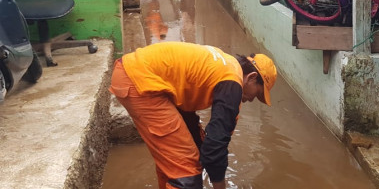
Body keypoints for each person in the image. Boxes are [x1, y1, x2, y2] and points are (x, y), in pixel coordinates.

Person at [109, 41, 277, 189]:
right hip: (141, 82)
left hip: (140, 76)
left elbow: (213, 142)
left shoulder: (227, 67)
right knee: (186, 170)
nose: (252, 100)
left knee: (184, 153)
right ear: (252, 77)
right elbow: (216, 147)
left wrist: (202, 144)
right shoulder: (232, 82)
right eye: (257, 93)